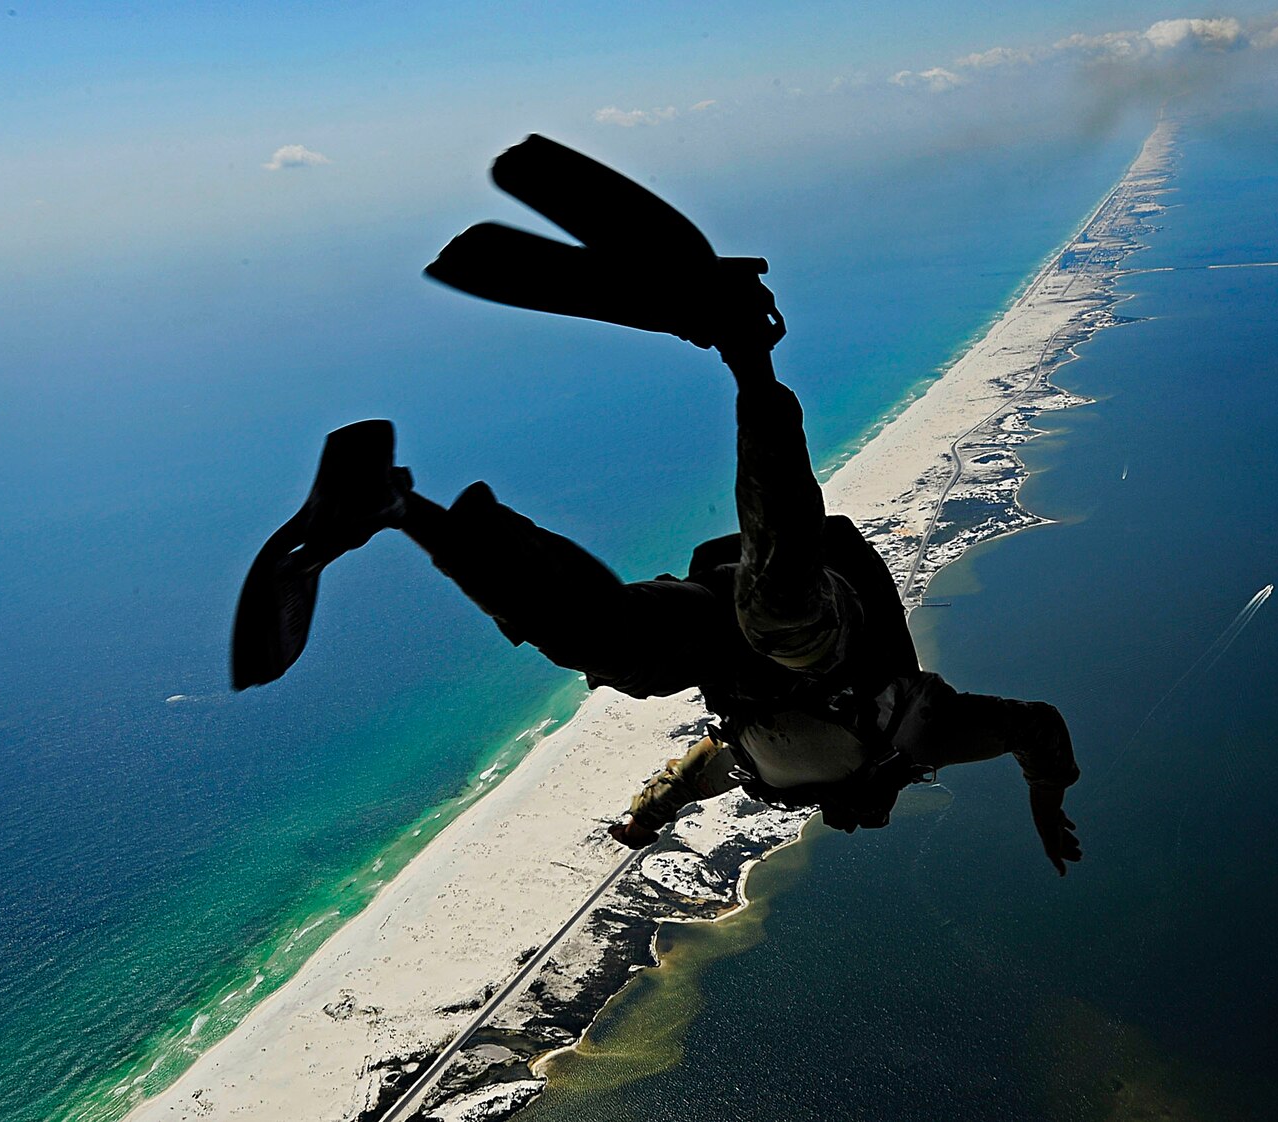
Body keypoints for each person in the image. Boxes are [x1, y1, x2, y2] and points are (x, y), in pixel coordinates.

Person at [230, 136, 1081, 875]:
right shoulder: (925, 736)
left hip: (714, 630)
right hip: (822, 622)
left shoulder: (753, 767)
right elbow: (1035, 726)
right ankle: (747, 348)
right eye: (868, 810)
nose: (859, 819)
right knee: (786, 616)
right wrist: (1048, 800)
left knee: (611, 645)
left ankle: (393, 507)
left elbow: (689, 774)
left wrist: (643, 819)